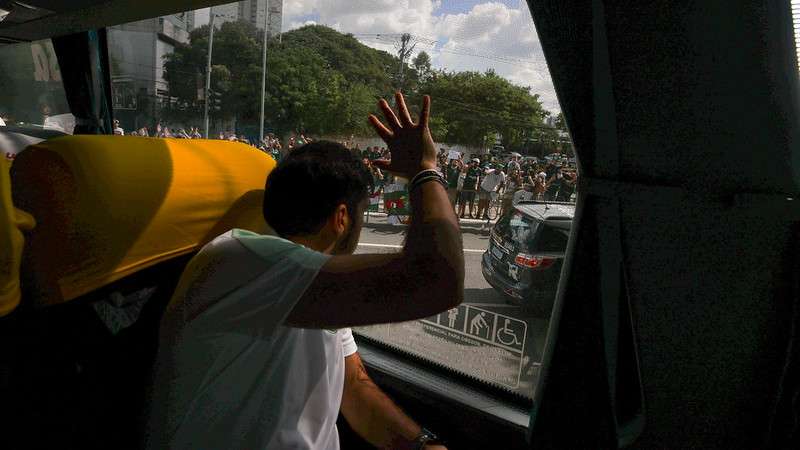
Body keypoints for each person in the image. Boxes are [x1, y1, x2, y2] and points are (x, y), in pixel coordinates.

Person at [145, 92, 459, 450]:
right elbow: (435, 281)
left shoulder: (307, 283)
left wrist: (422, 444)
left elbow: (354, 387)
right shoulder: (242, 261)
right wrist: (425, 170)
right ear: (342, 218)